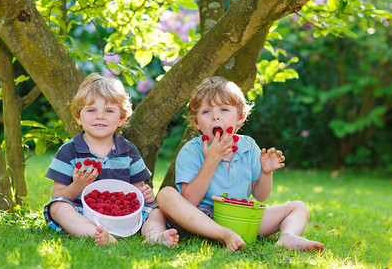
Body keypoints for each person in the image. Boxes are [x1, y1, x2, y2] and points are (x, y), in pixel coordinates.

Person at [156, 76, 324, 252]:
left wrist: (266, 174)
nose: (215, 117)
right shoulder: (192, 150)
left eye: (224, 109)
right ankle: (223, 234)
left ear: (240, 117)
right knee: (166, 195)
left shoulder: (248, 146)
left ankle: (288, 236)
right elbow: (190, 200)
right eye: (206, 112)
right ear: (196, 122)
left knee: (298, 207)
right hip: (200, 219)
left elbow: (260, 196)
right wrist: (211, 160)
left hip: (240, 217)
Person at [43, 73, 178, 247]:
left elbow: (138, 190)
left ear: (121, 118)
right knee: (57, 207)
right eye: (91, 110)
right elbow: (57, 195)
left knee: (156, 211)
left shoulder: (129, 150)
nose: (100, 116)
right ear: (78, 117)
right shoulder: (69, 151)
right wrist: (77, 186)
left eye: (108, 111)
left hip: (124, 215)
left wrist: (147, 194)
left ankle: (155, 235)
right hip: (84, 212)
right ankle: (94, 234)